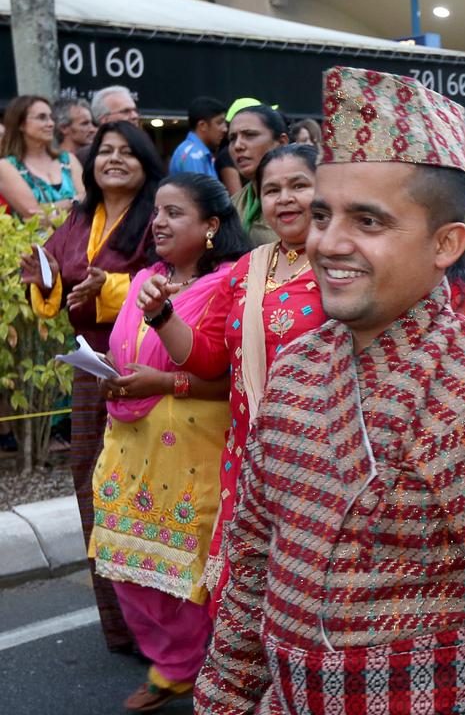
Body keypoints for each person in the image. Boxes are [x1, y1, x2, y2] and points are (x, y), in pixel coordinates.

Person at [194, 66, 465, 713]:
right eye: (322, 214)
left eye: (369, 221)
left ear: (447, 244)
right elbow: (249, 580)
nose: (328, 242)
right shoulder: (295, 371)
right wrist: (220, 702)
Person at [140, 144, 325, 613]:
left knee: (309, 592)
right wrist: (161, 315)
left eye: (299, 185)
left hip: (319, 458)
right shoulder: (249, 267)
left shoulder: (345, 262)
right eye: (272, 189)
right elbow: (207, 360)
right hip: (247, 456)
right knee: (247, 596)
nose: (285, 199)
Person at [89, 172, 250, 712]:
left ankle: (218, 671)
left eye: (174, 212)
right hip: (130, 444)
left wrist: (162, 383)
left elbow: (235, 379)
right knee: (125, 564)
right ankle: (177, 663)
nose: (157, 221)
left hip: (195, 453)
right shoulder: (142, 281)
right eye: (157, 211)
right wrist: (110, 372)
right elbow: (127, 351)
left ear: (210, 226)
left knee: (194, 574)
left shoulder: (232, 285)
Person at [19, 121, 164, 655]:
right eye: (106, 152)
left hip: (152, 365)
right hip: (91, 370)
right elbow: (56, 280)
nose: (116, 159)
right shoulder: (80, 217)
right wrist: (43, 277)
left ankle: (167, 621)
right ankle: (122, 626)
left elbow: (179, 273)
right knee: (91, 484)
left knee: (149, 487)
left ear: (147, 162)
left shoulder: (159, 212)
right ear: (90, 164)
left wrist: (113, 289)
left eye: (129, 152)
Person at [0, 95, 85, 218]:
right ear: (21, 124)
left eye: (51, 118)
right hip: (39, 237)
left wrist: (52, 208)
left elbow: (88, 201)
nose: (50, 123)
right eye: (42, 118)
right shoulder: (7, 166)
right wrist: (74, 202)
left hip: (80, 235)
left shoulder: (68, 159)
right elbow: (35, 216)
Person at [227, 104, 289, 246]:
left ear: (281, 143)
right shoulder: (233, 205)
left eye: (250, 135)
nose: (238, 145)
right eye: (232, 138)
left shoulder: (309, 200)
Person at [79, 86, 140, 167]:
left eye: (135, 110)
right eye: (126, 111)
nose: (135, 116)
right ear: (105, 120)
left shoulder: (144, 149)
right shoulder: (86, 157)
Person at [169, 96, 227, 177]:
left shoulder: (198, 153)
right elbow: (200, 190)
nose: (225, 129)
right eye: (219, 122)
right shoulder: (194, 155)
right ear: (202, 125)